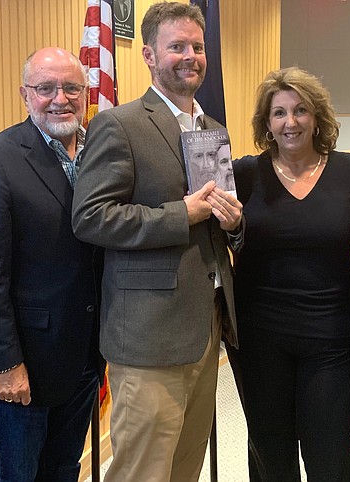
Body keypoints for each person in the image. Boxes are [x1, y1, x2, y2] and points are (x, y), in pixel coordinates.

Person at [72, 3, 242, 481]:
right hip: (147, 337)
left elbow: (218, 222)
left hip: (206, 329)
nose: (190, 56)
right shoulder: (120, 125)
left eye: (197, 47)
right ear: (148, 55)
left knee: (186, 466)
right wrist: (179, 214)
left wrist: (233, 224)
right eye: (176, 47)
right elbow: (90, 217)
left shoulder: (214, 130)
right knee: (142, 471)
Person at [0, 48, 101, 481]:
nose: (60, 98)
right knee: (18, 473)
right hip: (24, 362)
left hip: (86, 355)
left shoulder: (100, 152)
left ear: (85, 93)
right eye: (45, 88)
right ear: (25, 95)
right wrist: (5, 364)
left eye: (72, 87)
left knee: (63, 469)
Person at [228, 67, 350, 481]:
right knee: (269, 451)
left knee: (330, 453)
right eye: (279, 113)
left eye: (300, 110)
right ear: (267, 124)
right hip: (258, 336)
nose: (290, 122)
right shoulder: (243, 175)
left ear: (317, 118)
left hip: (331, 339)